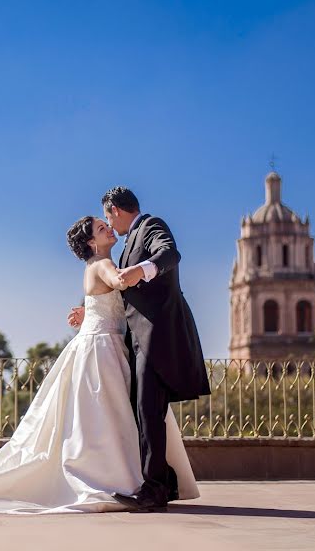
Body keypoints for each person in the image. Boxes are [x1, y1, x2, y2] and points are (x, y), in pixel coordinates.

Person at [0, 214, 199, 514]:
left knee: (105, 417)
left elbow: (104, 301)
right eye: (102, 228)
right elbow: (118, 282)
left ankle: (128, 478)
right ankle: (119, 478)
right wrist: (143, 273)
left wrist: (87, 311)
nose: (109, 229)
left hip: (104, 344)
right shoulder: (102, 264)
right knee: (108, 416)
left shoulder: (96, 264)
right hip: (103, 349)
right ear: (91, 242)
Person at [69, 187, 210, 512]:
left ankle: (155, 488)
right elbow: (112, 288)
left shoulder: (150, 226)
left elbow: (170, 254)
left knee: (147, 411)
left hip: (156, 336)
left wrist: (141, 269)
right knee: (144, 412)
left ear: (115, 210)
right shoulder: (121, 249)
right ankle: (159, 482)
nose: (107, 223)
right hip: (134, 341)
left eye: (107, 217)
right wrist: (88, 309)